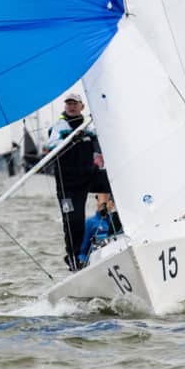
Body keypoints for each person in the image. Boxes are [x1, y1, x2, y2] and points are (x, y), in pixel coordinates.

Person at [46, 91, 111, 272]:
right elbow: (52, 145)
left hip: (89, 177)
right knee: (74, 222)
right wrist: (72, 138)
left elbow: (100, 143)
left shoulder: (90, 125)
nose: (72, 106)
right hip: (69, 185)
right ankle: (74, 259)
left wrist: (99, 153)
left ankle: (120, 231)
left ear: (82, 107)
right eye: (69, 103)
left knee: (116, 183)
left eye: (75, 103)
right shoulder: (60, 126)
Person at [77, 194, 123, 267]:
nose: (108, 204)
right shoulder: (90, 222)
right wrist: (81, 263)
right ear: (98, 202)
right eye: (104, 202)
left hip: (117, 253)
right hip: (98, 260)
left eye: (111, 201)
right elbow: (83, 251)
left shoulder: (118, 220)